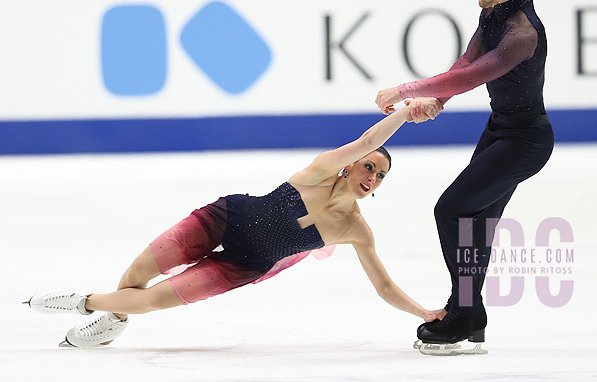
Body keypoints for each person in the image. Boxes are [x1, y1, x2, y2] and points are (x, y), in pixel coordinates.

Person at [25, 98, 444, 348]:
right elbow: (369, 140)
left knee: (152, 300)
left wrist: (423, 312)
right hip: (221, 220)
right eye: (369, 167)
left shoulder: (356, 230)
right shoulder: (319, 171)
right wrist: (405, 112)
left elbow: (384, 286)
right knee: (137, 275)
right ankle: (112, 320)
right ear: (351, 164)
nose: (372, 177)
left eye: (380, 177)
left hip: (241, 267)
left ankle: (82, 302)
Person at [375, 0, 554, 355]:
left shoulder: (522, 31)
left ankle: (466, 310)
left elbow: (473, 76)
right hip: (500, 130)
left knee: (452, 209)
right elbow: (464, 65)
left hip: (526, 141)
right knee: (476, 225)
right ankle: (469, 312)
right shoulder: (492, 14)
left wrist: (405, 89)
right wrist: (436, 101)